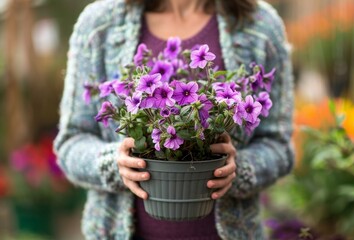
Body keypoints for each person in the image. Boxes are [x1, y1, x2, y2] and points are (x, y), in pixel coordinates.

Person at [54, 0, 294, 239]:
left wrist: (240, 169)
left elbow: (279, 145)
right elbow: (71, 143)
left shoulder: (259, 24)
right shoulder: (99, 24)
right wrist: (115, 164)